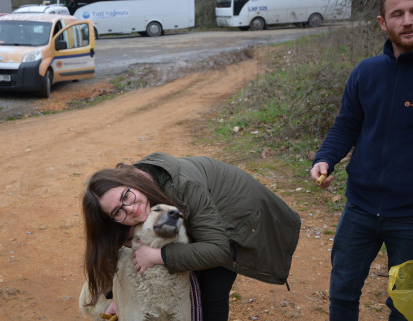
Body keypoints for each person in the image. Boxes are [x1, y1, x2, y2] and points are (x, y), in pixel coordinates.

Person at [82, 152, 301, 321]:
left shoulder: (185, 187)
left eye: (126, 196)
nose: (129, 209)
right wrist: (119, 299)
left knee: (211, 286)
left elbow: (218, 250)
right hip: (207, 218)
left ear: (131, 182)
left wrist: (161, 255)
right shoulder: (134, 193)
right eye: (117, 211)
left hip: (243, 221)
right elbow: (114, 250)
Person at [310, 0, 413, 320]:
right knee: (342, 293)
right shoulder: (366, 72)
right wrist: (325, 159)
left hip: (410, 219)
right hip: (360, 210)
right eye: (398, 14)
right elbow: (346, 125)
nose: (408, 20)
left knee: (406, 304)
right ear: (383, 23)